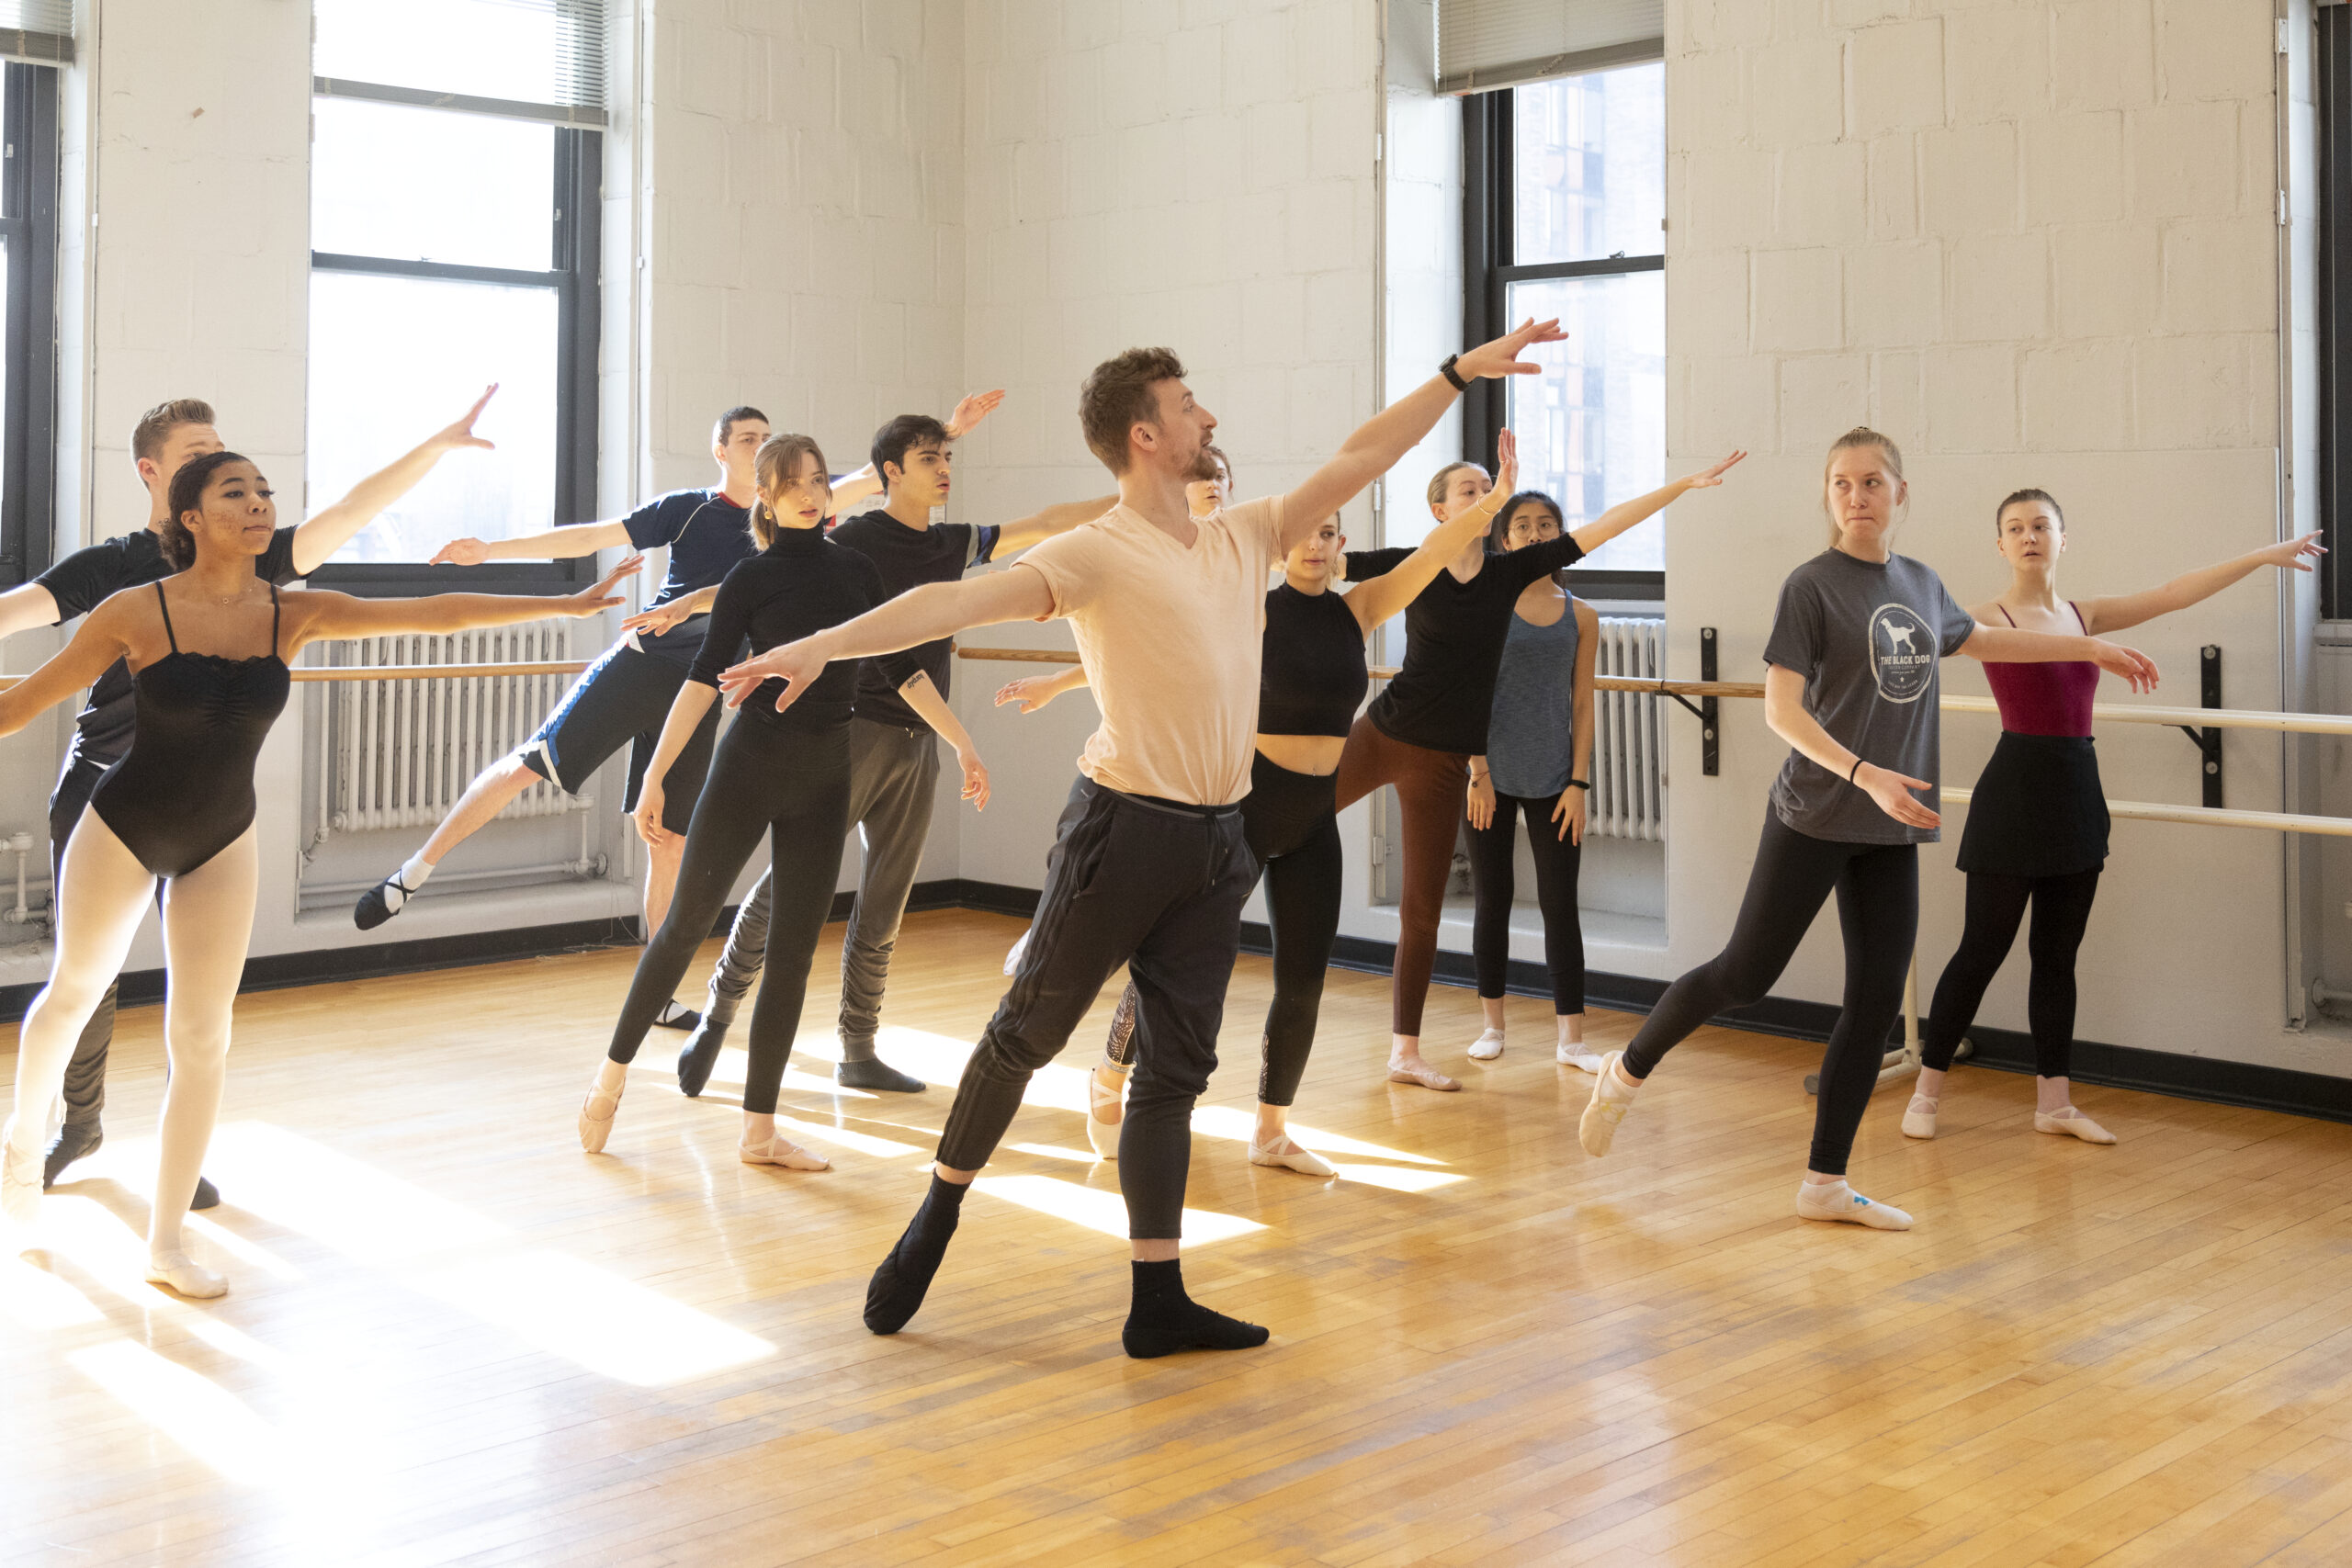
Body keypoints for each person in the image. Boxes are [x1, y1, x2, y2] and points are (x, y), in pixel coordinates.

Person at [718, 321, 1568, 1358]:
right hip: (1122, 830)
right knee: (1022, 1038)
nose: (1207, 415)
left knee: (1176, 1072)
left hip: (1218, 841)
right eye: (1187, 404)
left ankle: (1156, 1296)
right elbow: (943, 600)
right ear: (1145, 435)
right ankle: (934, 1220)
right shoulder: (1090, 554)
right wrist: (813, 648)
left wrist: (1453, 376)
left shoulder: (1245, 534)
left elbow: (1363, 455)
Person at [1, 451, 636, 1296]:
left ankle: (165, 1243)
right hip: (121, 828)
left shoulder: (287, 612)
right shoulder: (136, 610)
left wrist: (564, 601)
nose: (261, 503)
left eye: (265, 491)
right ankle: (18, 1145)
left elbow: (433, 615)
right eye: (238, 493)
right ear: (189, 517)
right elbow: (25, 700)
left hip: (222, 838)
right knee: (77, 990)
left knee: (203, 1037)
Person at [1575, 428, 2163, 1233]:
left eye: (1873, 482)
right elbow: (1782, 709)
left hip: (1892, 824)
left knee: (1878, 998)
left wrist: (2090, 644)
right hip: (1818, 812)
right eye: (1843, 483)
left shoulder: (1920, 582)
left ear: (1900, 493)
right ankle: (1627, 1068)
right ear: (1828, 496)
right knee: (1745, 973)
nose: (1858, 496)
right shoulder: (1811, 586)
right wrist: (1864, 773)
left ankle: (1824, 1180)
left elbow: (1982, 639)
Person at [0, 389, 501, 1202]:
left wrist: (438, 445)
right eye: (200, 453)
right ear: (154, 473)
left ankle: (179, 1152)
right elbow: (18, 612)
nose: (223, 468)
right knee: (85, 979)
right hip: (105, 787)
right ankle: (77, 1123)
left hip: (205, 796)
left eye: (224, 452)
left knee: (198, 996)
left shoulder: (257, 558)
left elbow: (349, 510)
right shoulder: (115, 565)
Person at [998, 436, 1529, 1176]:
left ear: (1342, 544)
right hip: (1243, 812)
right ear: (1282, 545)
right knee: (1177, 970)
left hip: (1313, 819)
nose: (1315, 543)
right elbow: (1143, 646)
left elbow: (1436, 553)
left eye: (1328, 532)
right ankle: (1111, 1071)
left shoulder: (1359, 609)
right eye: (1305, 532)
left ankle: (1271, 1128)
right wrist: (1056, 686)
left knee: (1303, 981)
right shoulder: (1244, 604)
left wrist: (1496, 500)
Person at [352, 393, 1003, 973]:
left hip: (702, 692)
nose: (762, 449)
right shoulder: (688, 510)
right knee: (530, 766)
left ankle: (655, 984)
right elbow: (591, 534)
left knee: (669, 840)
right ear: (722, 451)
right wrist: (489, 550)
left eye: (768, 439)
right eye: (748, 438)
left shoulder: (802, 512)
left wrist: (949, 429)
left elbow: (880, 473)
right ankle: (413, 873)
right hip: (644, 666)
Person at [673, 410, 1112, 1096]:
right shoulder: (854, 541)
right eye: (930, 458)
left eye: (947, 458)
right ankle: (719, 1016)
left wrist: (1143, 496)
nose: (944, 469)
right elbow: (766, 571)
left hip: (918, 742)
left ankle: (859, 1046)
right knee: (784, 889)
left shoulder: (952, 543)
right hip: (852, 732)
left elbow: (1047, 520)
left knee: (884, 905)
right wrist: (690, 605)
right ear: (890, 474)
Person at [1905, 493, 2323, 1145]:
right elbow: (1955, 642)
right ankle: (1927, 1090)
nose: (2029, 536)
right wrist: (2090, 649)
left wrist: (2265, 556)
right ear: (2001, 545)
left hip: (2076, 789)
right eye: (2015, 529)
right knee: (1981, 949)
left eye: (2041, 525)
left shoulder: (2085, 615)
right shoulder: (1986, 617)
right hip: (2013, 794)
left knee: (2057, 956)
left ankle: (2055, 1102)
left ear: (2063, 538)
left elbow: (2174, 593)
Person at [1332, 450, 1748, 1090]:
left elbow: (1605, 526)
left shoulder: (1509, 575)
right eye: (1468, 488)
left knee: (1424, 911)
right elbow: (1313, 564)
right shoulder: (1412, 564)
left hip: (1445, 762)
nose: (1484, 494)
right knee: (1287, 812)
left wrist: (1683, 484)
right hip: (1385, 731)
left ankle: (1405, 1052)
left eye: (1488, 487)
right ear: (1440, 510)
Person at [579, 434, 928, 1166]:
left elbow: (902, 663)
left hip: (824, 779)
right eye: (792, 482)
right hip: (747, 771)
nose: (810, 492)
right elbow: (703, 679)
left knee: (794, 957)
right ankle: (609, 1079)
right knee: (682, 930)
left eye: (818, 481)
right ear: (765, 496)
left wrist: (963, 743)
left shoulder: (857, 571)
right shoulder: (749, 577)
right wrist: (654, 775)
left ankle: (759, 1130)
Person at [1463, 489, 1604, 1069]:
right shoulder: (1484, 607)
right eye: (1523, 525)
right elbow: (1468, 693)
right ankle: (1492, 1025)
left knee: (1558, 904)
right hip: (1488, 776)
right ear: (1504, 539)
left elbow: (1584, 703)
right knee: (1492, 900)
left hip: (1555, 783)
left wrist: (1579, 784)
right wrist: (1477, 772)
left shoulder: (1582, 616)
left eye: (1547, 524)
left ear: (1562, 537)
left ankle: (1571, 1038)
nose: (1535, 533)